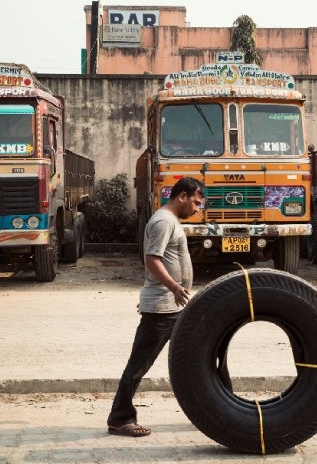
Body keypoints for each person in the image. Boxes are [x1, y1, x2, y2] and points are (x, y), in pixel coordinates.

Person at [107, 176, 205, 437]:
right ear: (181, 196)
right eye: (195, 202)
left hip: (174, 307)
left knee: (202, 356)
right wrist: (174, 286)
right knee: (139, 365)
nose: (197, 208)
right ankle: (119, 419)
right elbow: (151, 260)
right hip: (162, 309)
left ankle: (215, 408)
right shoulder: (163, 221)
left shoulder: (171, 221)